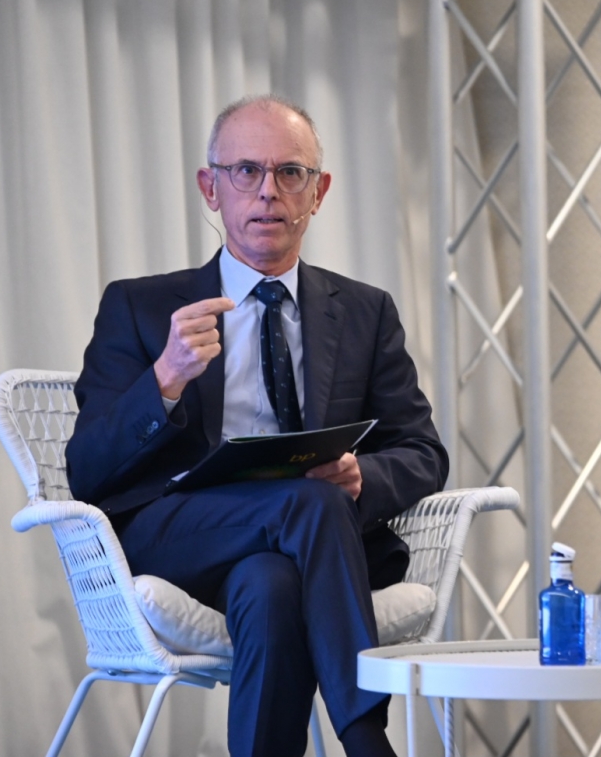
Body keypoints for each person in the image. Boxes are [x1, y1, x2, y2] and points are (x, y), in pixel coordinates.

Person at [66, 95, 447, 757]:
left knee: (271, 588)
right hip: (180, 536)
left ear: (318, 191)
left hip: (300, 552)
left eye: (290, 172)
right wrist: (166, 378)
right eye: (245, 171)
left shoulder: (364, 311)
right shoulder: (141, 306)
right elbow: (85, 468)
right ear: (210, 188)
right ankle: (367, 741)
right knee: (308, 499)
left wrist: (363, 475)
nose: (268, 192)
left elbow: (421, 451)